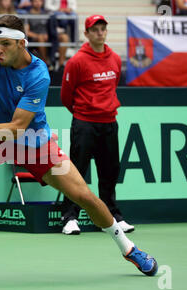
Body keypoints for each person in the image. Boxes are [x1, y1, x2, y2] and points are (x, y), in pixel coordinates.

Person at [0, 14, 158, 282]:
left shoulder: (38, 74)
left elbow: (18, 126)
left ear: (22, 43)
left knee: (84, 196)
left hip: (34, 142)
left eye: (5, 44)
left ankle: (129, 249)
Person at [59, 15, 135, 236]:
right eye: (95, 30)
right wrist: (83, 114)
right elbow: (66, 96)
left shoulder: (115, 59)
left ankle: (112, 217)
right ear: (87, 34)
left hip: (110, 123)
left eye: (103, 29)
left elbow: (112, 88)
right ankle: (70, 217)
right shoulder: (77, 61)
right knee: (77, 173)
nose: (100, 33)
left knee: (110, 172)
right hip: (84, 124)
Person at [25, 0, 69, 69]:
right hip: (35, 38)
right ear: (32, 2)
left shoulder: (47, 13)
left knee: (64, 37)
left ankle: (61, 65)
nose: (38, 3)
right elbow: (27, 32)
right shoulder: (27, 15)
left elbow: (53, 27)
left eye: (40, 1)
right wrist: (39, 36)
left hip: (49, 36)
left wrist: (50, 34)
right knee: (41, 38)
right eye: (36, 1)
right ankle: (46, 63)